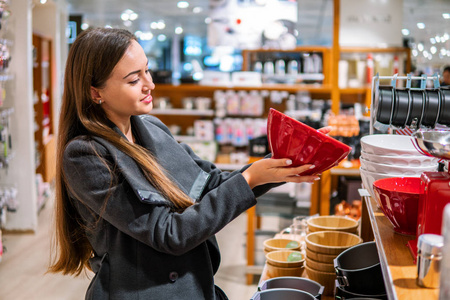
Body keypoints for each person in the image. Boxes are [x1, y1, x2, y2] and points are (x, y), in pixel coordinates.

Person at [49, 27, 330, 300]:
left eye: (146, 70)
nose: (150, 84)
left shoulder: (151, 128)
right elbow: (169, 233)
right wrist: (250, 179)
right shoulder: (86, 156)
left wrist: (289, 156)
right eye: (134, 80)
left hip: (194, 283)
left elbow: (209, 183)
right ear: (95, 92)